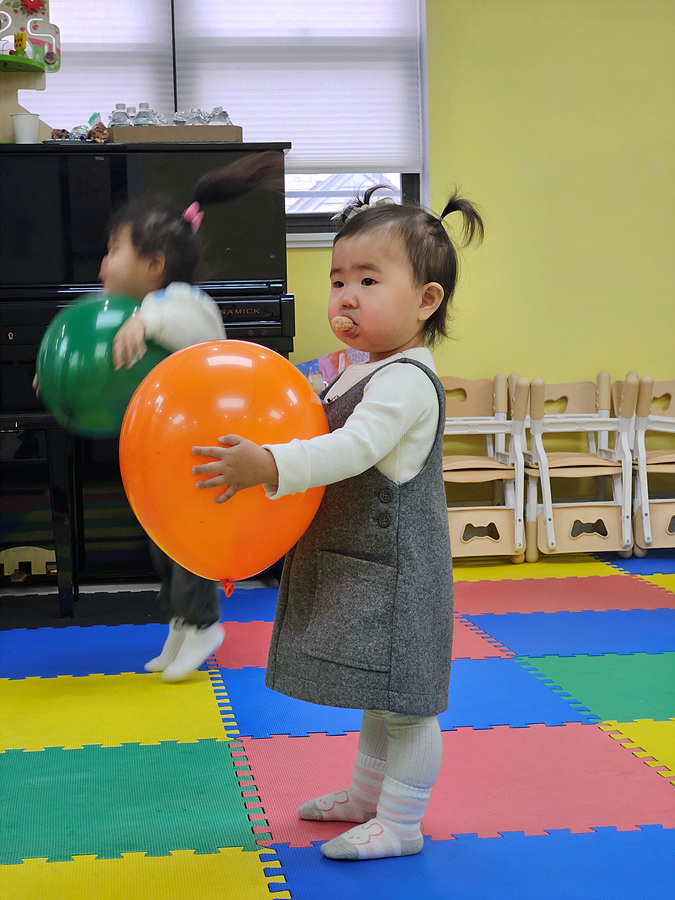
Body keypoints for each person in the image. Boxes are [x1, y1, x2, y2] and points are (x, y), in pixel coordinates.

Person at [191, 186, 484, 860]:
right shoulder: (359, 371)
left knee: (407, 703)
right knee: (379, 696)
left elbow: (350, 448)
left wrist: (268, 464)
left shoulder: (405, 380)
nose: (345, 297)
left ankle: (401, 824)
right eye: (337, 280)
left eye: (368, 281)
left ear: (425, 301)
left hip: (398, 577)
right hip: (362, 564)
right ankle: (365, 796)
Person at [102, 151, 283, 682]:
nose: (103, 263)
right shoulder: (133, 316)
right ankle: (180, 625)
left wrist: (146, 321)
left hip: (201, 453)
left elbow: (191, 325)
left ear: (154, 264)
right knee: (163, 547)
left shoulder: (183, 302)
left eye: (114, 250)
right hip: (162, 457)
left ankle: (203, 624)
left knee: (189, 547)